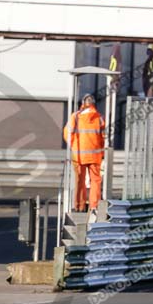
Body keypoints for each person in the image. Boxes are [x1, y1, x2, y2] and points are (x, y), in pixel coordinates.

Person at [63, 93, 105, 223]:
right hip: (95, 155)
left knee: (79, 181)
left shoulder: (75, 117)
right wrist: (101, 152)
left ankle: (79, 206)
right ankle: (94, 206)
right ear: (93, 103)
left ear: (83, 102)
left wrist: (74, 147)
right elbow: (103, 137)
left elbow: (67, 134)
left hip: (79, 155)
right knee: (95, 181)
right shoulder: (99, 118)